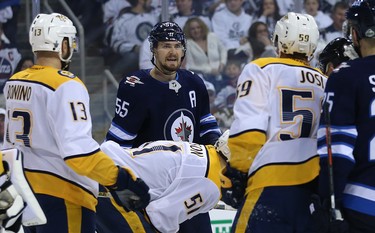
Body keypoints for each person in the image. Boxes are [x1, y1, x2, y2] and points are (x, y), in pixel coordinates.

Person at [3, 13, 150, 233]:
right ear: (62, 44)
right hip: (63, 194)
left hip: (27, 195)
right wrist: (119, 179)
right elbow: (79, 154)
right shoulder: (66, 85)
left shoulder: (15, 81)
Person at [100, 21, 221, 233]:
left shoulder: (195, 83)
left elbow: (206, 124)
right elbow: (117, 144)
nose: (172, 52)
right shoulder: (135, 87)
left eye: (177, 46)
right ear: (153, 49)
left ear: (184, 50)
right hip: (154, 189)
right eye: (165, 45)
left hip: (191, 185)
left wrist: (216, 146)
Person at [222, 12, 326, 232]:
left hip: (271, 182)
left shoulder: (261, 68)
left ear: (279, 39)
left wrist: (239, 172)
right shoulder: (326, 81)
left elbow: (249, 129)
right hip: (314, 189)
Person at [317, 1, 375, 232]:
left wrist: (329, 203)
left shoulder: (346, 76)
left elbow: (336, 149)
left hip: (363, 202)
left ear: (354, 32)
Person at [99, 132, 231, 233]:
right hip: (114, 187)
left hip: (102, 170)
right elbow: (159, 218)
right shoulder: (212, 182)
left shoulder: (205, 152)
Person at [183, 17, 227, 88]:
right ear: (188, 31)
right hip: (201, 79)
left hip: (220, 74)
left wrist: (222, 63)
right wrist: (209, 70)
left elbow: (223, 50)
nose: (196, 30)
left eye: (198, 27)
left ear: (202, 27)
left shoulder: (212, 36)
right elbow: (190, 65)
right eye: (192, 29)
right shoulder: (187, 44)